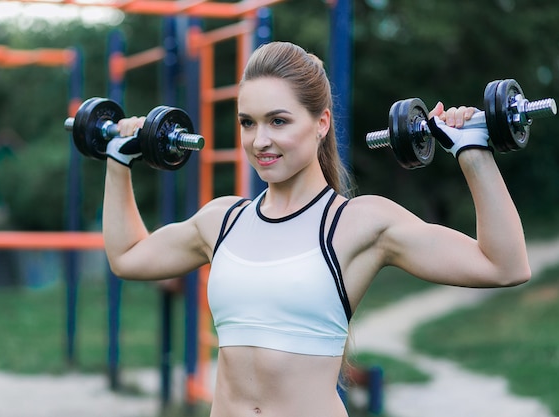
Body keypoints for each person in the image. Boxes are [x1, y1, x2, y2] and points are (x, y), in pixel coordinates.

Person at [102, 41, 531, 417]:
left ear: (321, 123)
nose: (259, 141)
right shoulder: (222, 221)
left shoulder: (358, 224)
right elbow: (127, 257)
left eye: (279, 121)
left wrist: (473, 151)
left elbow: (504, 265)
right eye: (248, 122)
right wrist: (118, 160)